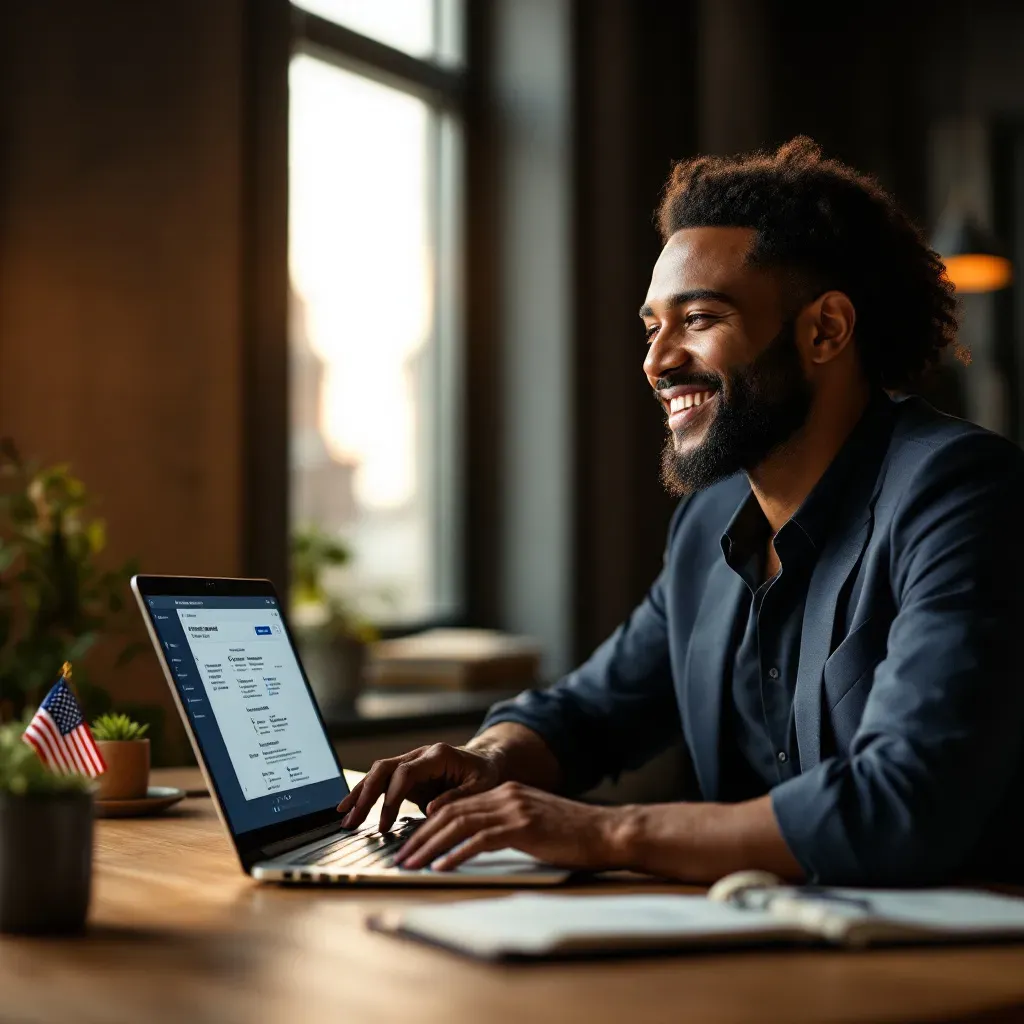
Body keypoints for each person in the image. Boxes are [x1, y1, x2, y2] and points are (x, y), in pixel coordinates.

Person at [339, 137, 1024, 885]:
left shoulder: (964, 494)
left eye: (697, 318)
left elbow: (905, 798)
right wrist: (490, 758)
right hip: (763, 948)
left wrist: (608, 832)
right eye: (651, 326)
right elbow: (594, 709)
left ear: (825, 330)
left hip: (956, 966)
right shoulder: (709, 526)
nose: (657, 361)